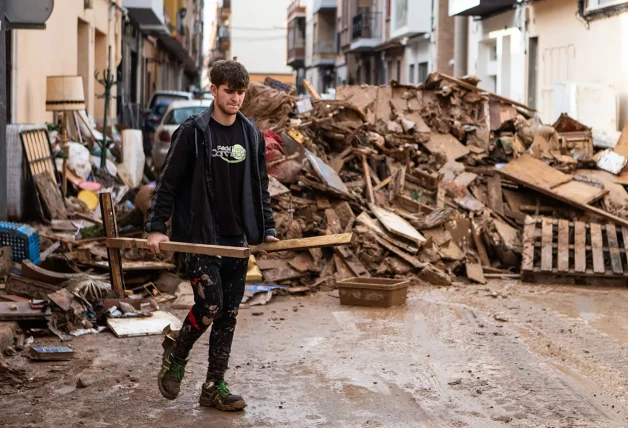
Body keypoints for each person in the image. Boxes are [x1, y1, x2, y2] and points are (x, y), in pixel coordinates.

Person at [145, 60, 278, 411]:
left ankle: (214, 385)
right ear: (214, 90)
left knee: (229, 314)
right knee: (210, 304)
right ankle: (178, 353)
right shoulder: (193, 132)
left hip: (238, 239)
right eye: (229, 91)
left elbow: (260, 186)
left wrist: (267, 230)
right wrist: (157, 227)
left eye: (240, 92)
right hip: (199, 237)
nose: (235, 98)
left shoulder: (251, 134)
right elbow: (167, 184)